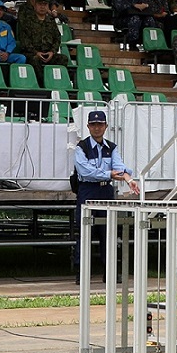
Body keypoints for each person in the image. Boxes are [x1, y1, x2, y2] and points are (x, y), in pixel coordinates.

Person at [72, 108, 139, 255]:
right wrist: (109, 174)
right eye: (94, 124)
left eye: (100, 124)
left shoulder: (112, 147)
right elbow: (85, 171)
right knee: (83, 232)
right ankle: (80, 272)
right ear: (88, 126)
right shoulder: (81, 147)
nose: (97, 128)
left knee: (108, 231)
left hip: (105, 191)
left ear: (106, 126)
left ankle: (108, 271)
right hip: (87, 190)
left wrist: (129, 179)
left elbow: (119, 166)